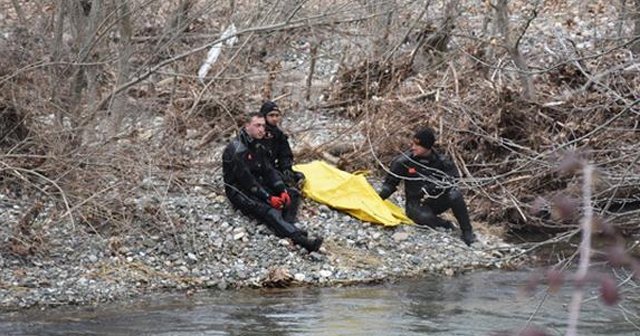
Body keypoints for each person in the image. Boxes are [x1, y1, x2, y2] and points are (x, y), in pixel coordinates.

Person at [222, 112, 323, 252]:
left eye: (263, 126)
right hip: (239, 190)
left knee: (292, 194)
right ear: (247, 126)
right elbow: (247, 181)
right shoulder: (237, 149)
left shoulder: (258, 144)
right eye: (257, 126)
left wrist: (281, 189)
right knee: (270, 211)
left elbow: (268, 170)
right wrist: (268, 198)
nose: (262, 129)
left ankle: (287, 225)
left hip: (257, 183)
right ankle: (302, 240)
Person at [377, 128, 475, 246]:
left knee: (455, 194)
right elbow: (390, 185)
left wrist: (435, 186)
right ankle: (443, 223)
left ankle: (467, 231)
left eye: (417, 145)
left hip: (434, 199)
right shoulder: (404, 161)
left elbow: (453, 180)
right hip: (415, 203)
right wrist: (376, 199)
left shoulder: (441, 161)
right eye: (412, 144)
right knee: (425, 218)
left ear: (427, 147)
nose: (413, 147)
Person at [259, 101, 306, 187]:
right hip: (259, 169)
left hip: (272, 167)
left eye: (277, 115)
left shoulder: (278, 134)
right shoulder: (257, 132)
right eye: (271, 115)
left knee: (297, 176)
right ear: (264, 116)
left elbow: (285, 153)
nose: (274, 119)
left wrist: (286, 168)